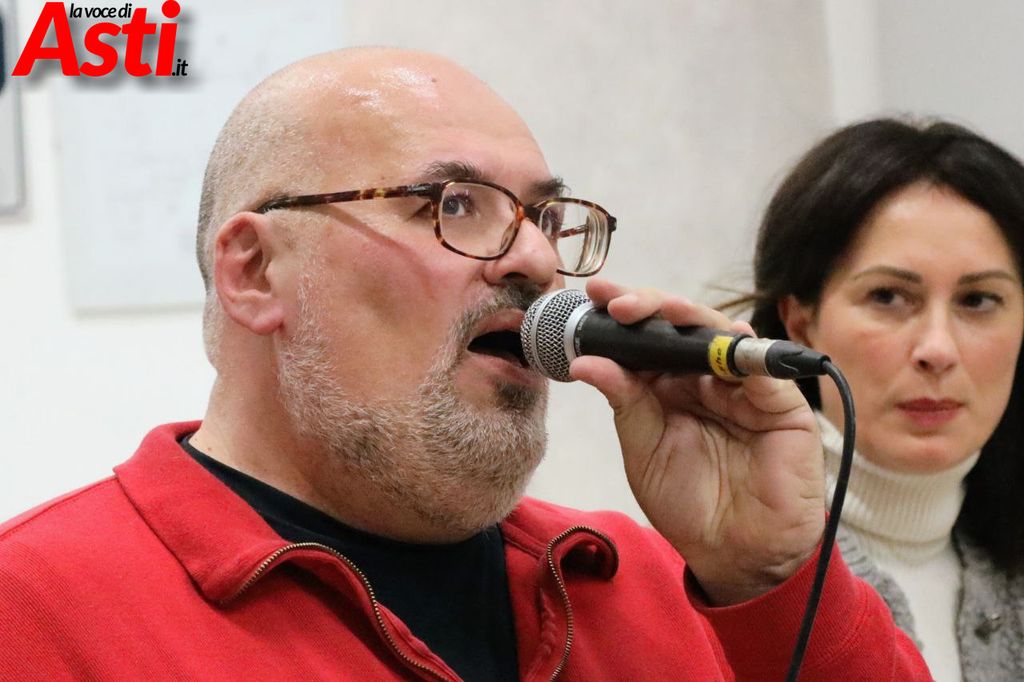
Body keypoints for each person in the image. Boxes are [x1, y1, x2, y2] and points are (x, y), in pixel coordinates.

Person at [0, 49, 928, 680]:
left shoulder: (654, 582)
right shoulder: (38, 609)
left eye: (545, 217)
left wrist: (771, 579)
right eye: (451, 203)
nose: (537, 259)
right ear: (254, 272)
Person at [733, 117, 1024, 681]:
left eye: (979, 300)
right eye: (888, 296)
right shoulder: (723, 578)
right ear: (800, 325)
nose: (937, 349)